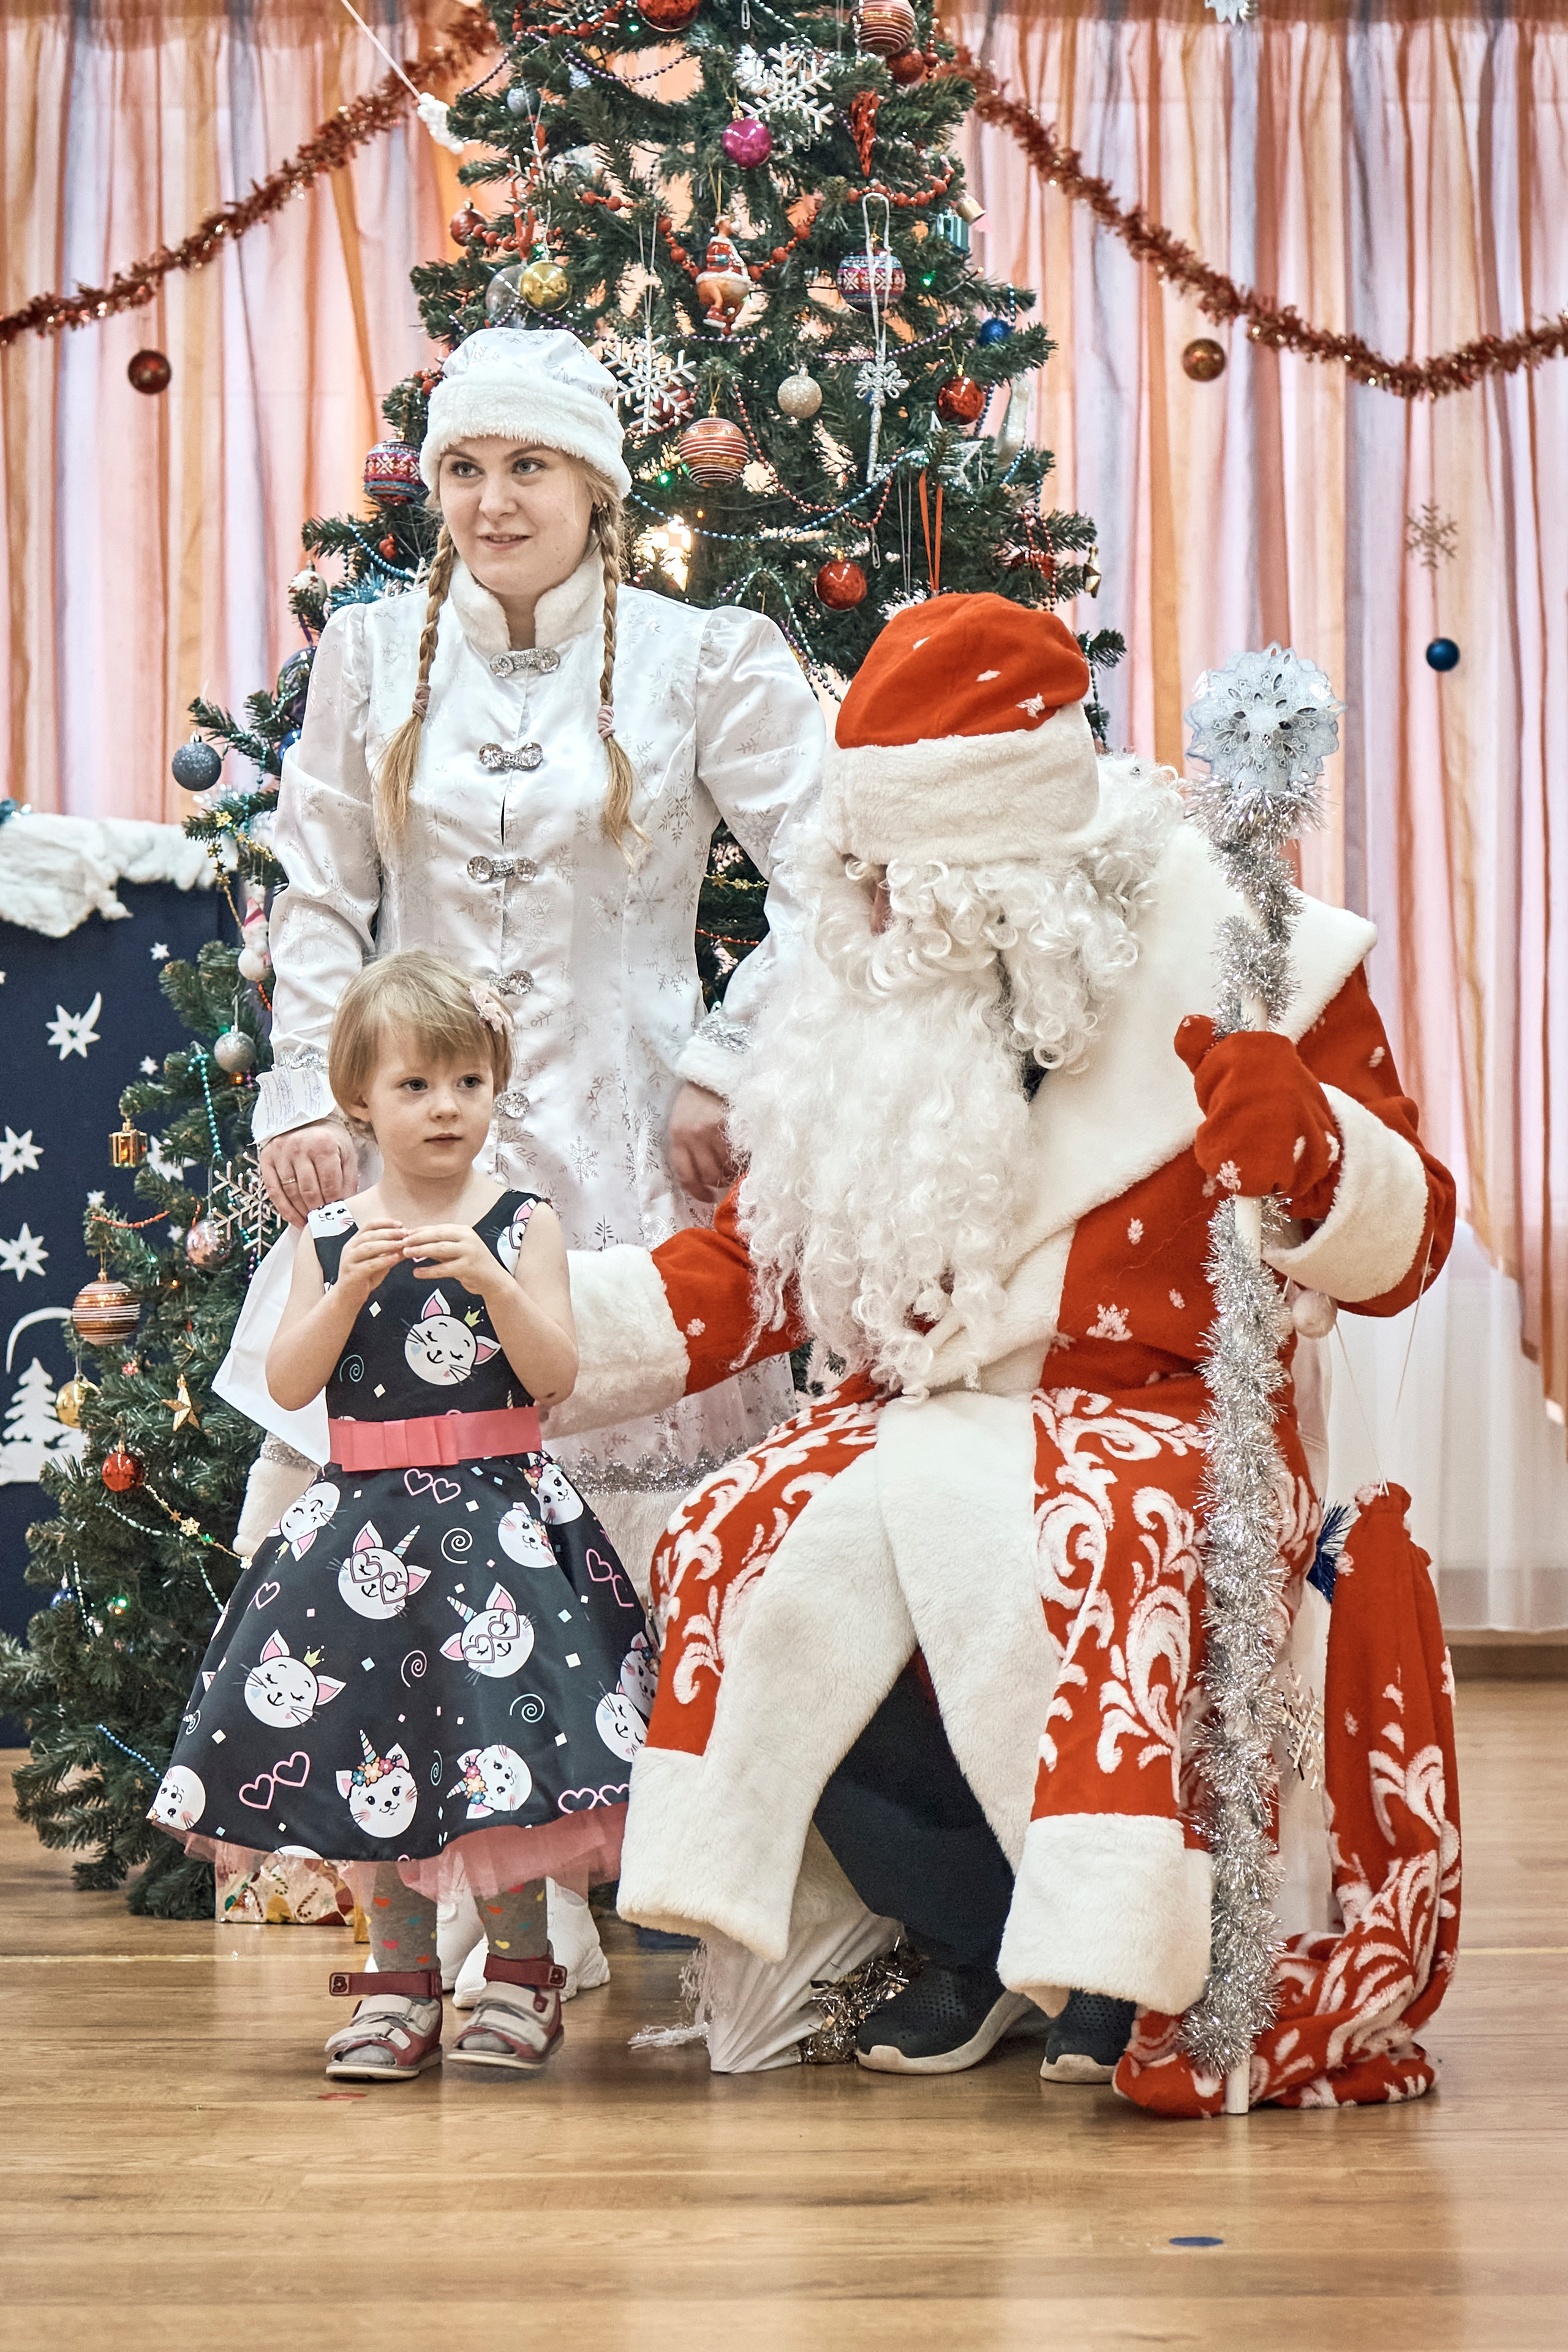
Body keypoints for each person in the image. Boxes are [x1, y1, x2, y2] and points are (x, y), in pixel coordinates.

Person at [543, 594, 1462, 2110]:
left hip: (1157, 1410)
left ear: (1015, 867)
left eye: (913, 874)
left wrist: (1305, 1152)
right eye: (870, 866)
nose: (879, 904)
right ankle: (979, 1931)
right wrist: (536, 1326)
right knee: (728, 1542)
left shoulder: (1259, 960)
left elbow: (1409, 1238)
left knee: (1095, 1547)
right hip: (913, 1402)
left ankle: (1115, 1954)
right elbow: (755, 1259)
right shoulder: (875, 985)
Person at [220, 325, 822, 1595]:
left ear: (594, 486)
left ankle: (649, 1795)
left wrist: (730, 1066)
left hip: (633, 1149)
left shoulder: (700, 657)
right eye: (464, 469)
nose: (491, 503)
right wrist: (310, 1106)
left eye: (529, 466)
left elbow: (838, 880)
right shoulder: (370, 655)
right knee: (378, 1532)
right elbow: (319, 899)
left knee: (643, 1550)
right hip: (405, 1161)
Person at [153, 952, 652, 2080]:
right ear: (360, 1104)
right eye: (417, 1087)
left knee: (504, 1764)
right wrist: (340, 1293)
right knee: (366, 1750)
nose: (445, 1109)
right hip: (363, 1533)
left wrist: (495, 1285)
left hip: (499, 1531)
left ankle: (524, 1981)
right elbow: (288, 1385)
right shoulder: (329, 1234)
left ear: (494, 1091)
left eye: (468, 1083)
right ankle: (396, 1989)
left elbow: (555, 1373)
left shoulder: (523, 1225)